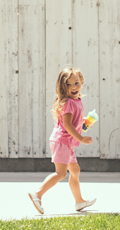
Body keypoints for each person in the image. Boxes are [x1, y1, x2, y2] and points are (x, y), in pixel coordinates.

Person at [28, 66, 96, 214]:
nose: (73, 87)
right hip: (62, 142)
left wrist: (83, 123)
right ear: (63, 86)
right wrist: (81, 138)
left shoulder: (76, 100)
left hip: (67, 142)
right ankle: (37, 194)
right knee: (61, 173)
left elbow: (73, 121)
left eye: (76, 83)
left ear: (82, 82)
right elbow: (67, 124)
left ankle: (79, 201)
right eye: (69, 84)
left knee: (75, 170)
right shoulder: (69, 103)